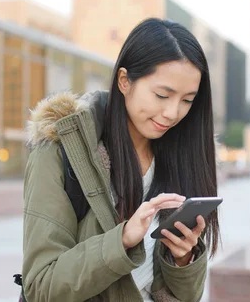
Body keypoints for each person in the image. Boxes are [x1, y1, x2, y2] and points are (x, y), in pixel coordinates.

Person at [21, 18, 221, 302]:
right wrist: (123, 239)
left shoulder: (181, 158)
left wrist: (183, 258)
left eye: (188, 100)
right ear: (125, 81)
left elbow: (185, 297)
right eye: (162, 95)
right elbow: (42, 286)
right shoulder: (59, 150)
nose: (172, 113)